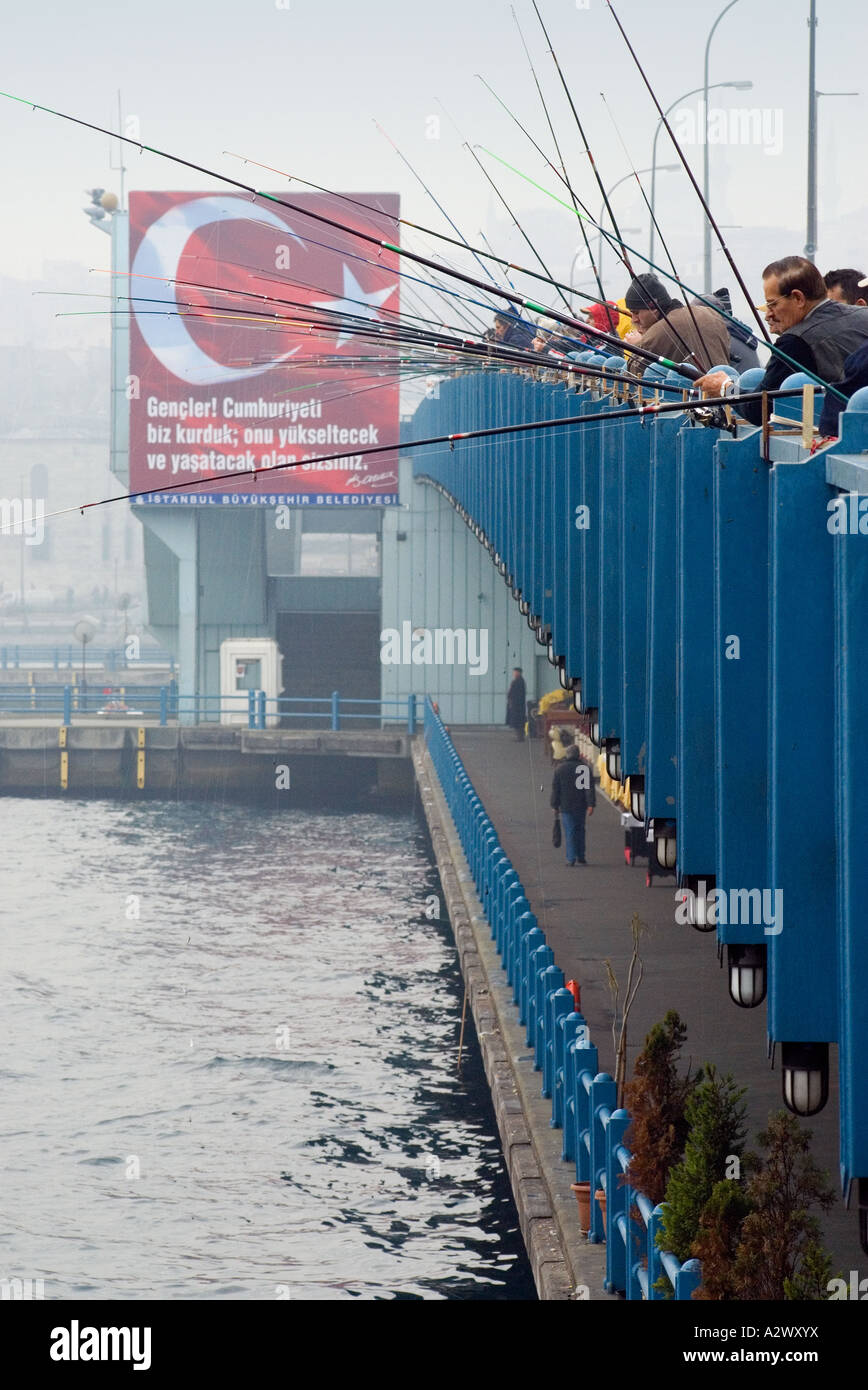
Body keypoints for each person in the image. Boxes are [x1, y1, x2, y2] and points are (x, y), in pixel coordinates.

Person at [697, 256, 868, 426]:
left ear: (798, 298)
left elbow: (758, 408)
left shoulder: (795, 342)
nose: (768, 315)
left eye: (772, 304)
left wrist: (726, 388)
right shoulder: (863, 315)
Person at [622, 273, 730, 377]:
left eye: (636, 312)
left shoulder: (657, 333)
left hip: (693, 392)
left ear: (653, 308)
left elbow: (634, 372)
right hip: (727, 388)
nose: (633, 320)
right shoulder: (711, 314)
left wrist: (638, 344)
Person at [550, 743, 596, 866]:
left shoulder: (560, 769)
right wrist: (591, 804)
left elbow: (556, 789)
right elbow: (589, 789)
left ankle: (571, 858)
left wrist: (554, 805)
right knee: (580, 830)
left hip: (566, 805)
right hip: (581, 805)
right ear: (578, 754)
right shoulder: (585, 768)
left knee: (570, 831)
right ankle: (581, 855)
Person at [506, 667, 527, 741]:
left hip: (518, 705)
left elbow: (517, 694)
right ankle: (519, 736)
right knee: (517, 721)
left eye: (515, 672)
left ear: (519, 673)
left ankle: (520, 737)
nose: (514, 674)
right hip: (515, 704)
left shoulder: (519, 681)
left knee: (518, 721)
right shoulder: (517, 681)